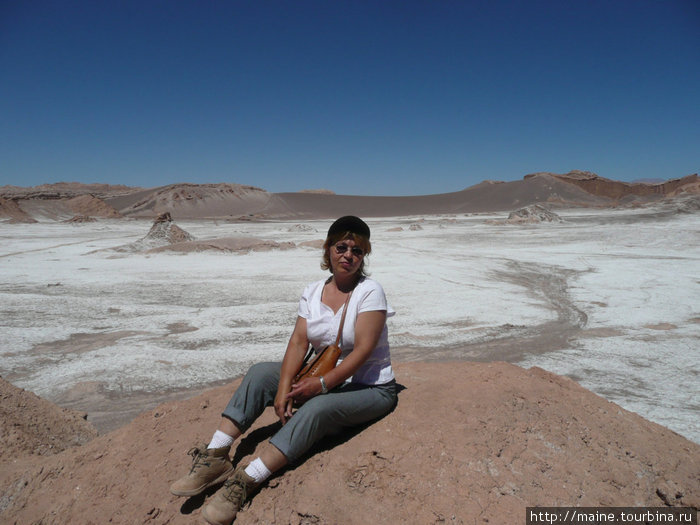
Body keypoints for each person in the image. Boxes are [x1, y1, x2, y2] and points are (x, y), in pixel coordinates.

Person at [170, 215, 397, 525]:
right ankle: (216, 456)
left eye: (357, 251)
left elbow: (363, 351)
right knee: (261, 373)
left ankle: (246, 481)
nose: (348, 256)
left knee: (317, 408)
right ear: (328, 249)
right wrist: (283, 387)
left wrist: (320, 385)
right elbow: (298, 342)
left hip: (370, 389)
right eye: (341, 247)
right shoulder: (314, 291)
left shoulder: (370, 292)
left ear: (365, 255)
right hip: (325, 379)